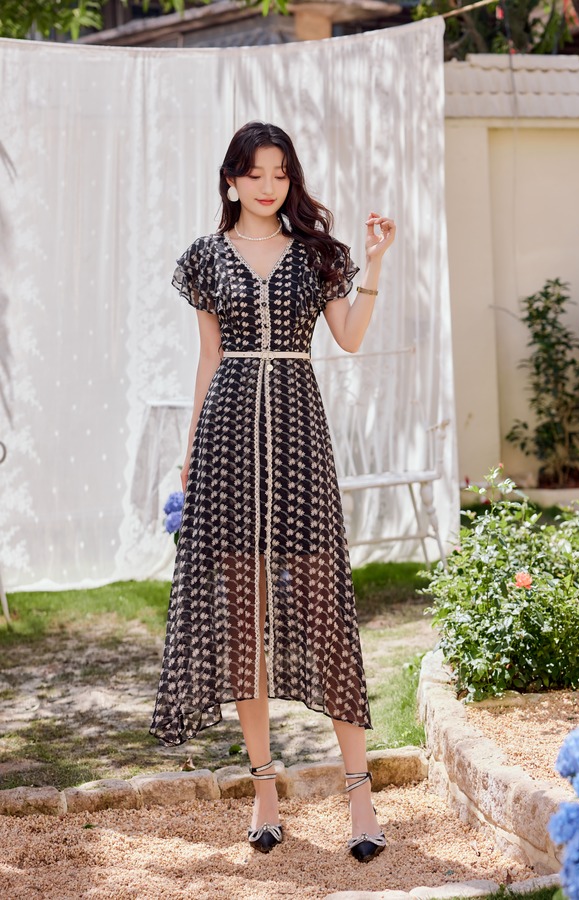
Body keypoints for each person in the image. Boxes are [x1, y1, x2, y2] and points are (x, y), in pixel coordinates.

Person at [150, 121, 396, 862]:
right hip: (226, 442)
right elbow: (209, 357)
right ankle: (264, 792)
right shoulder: (204, 258)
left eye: (280, 173)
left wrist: (375, 264)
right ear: (231, 180)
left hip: (297, 440)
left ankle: (360, 797)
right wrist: (191, 451)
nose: (267, 185)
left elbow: (349, 336)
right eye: (254, 172)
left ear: (291, 180)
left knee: (325, 611)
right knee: (241, 623)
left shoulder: (319, 254)